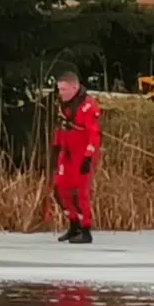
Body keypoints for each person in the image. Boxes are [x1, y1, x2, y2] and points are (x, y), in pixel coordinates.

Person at [52, 71, 101, 244]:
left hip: (82, 155)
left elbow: (94, 134)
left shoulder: (88, 107)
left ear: (74, 88)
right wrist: (56, 147)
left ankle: (85, 230)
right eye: (59, 89)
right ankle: (74, 224)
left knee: (80, 193)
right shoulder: (64, 105)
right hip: (66, 152)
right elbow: (61, 127)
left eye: (64, 89)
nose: (61, 93)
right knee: (59, 188)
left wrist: (88, 157)